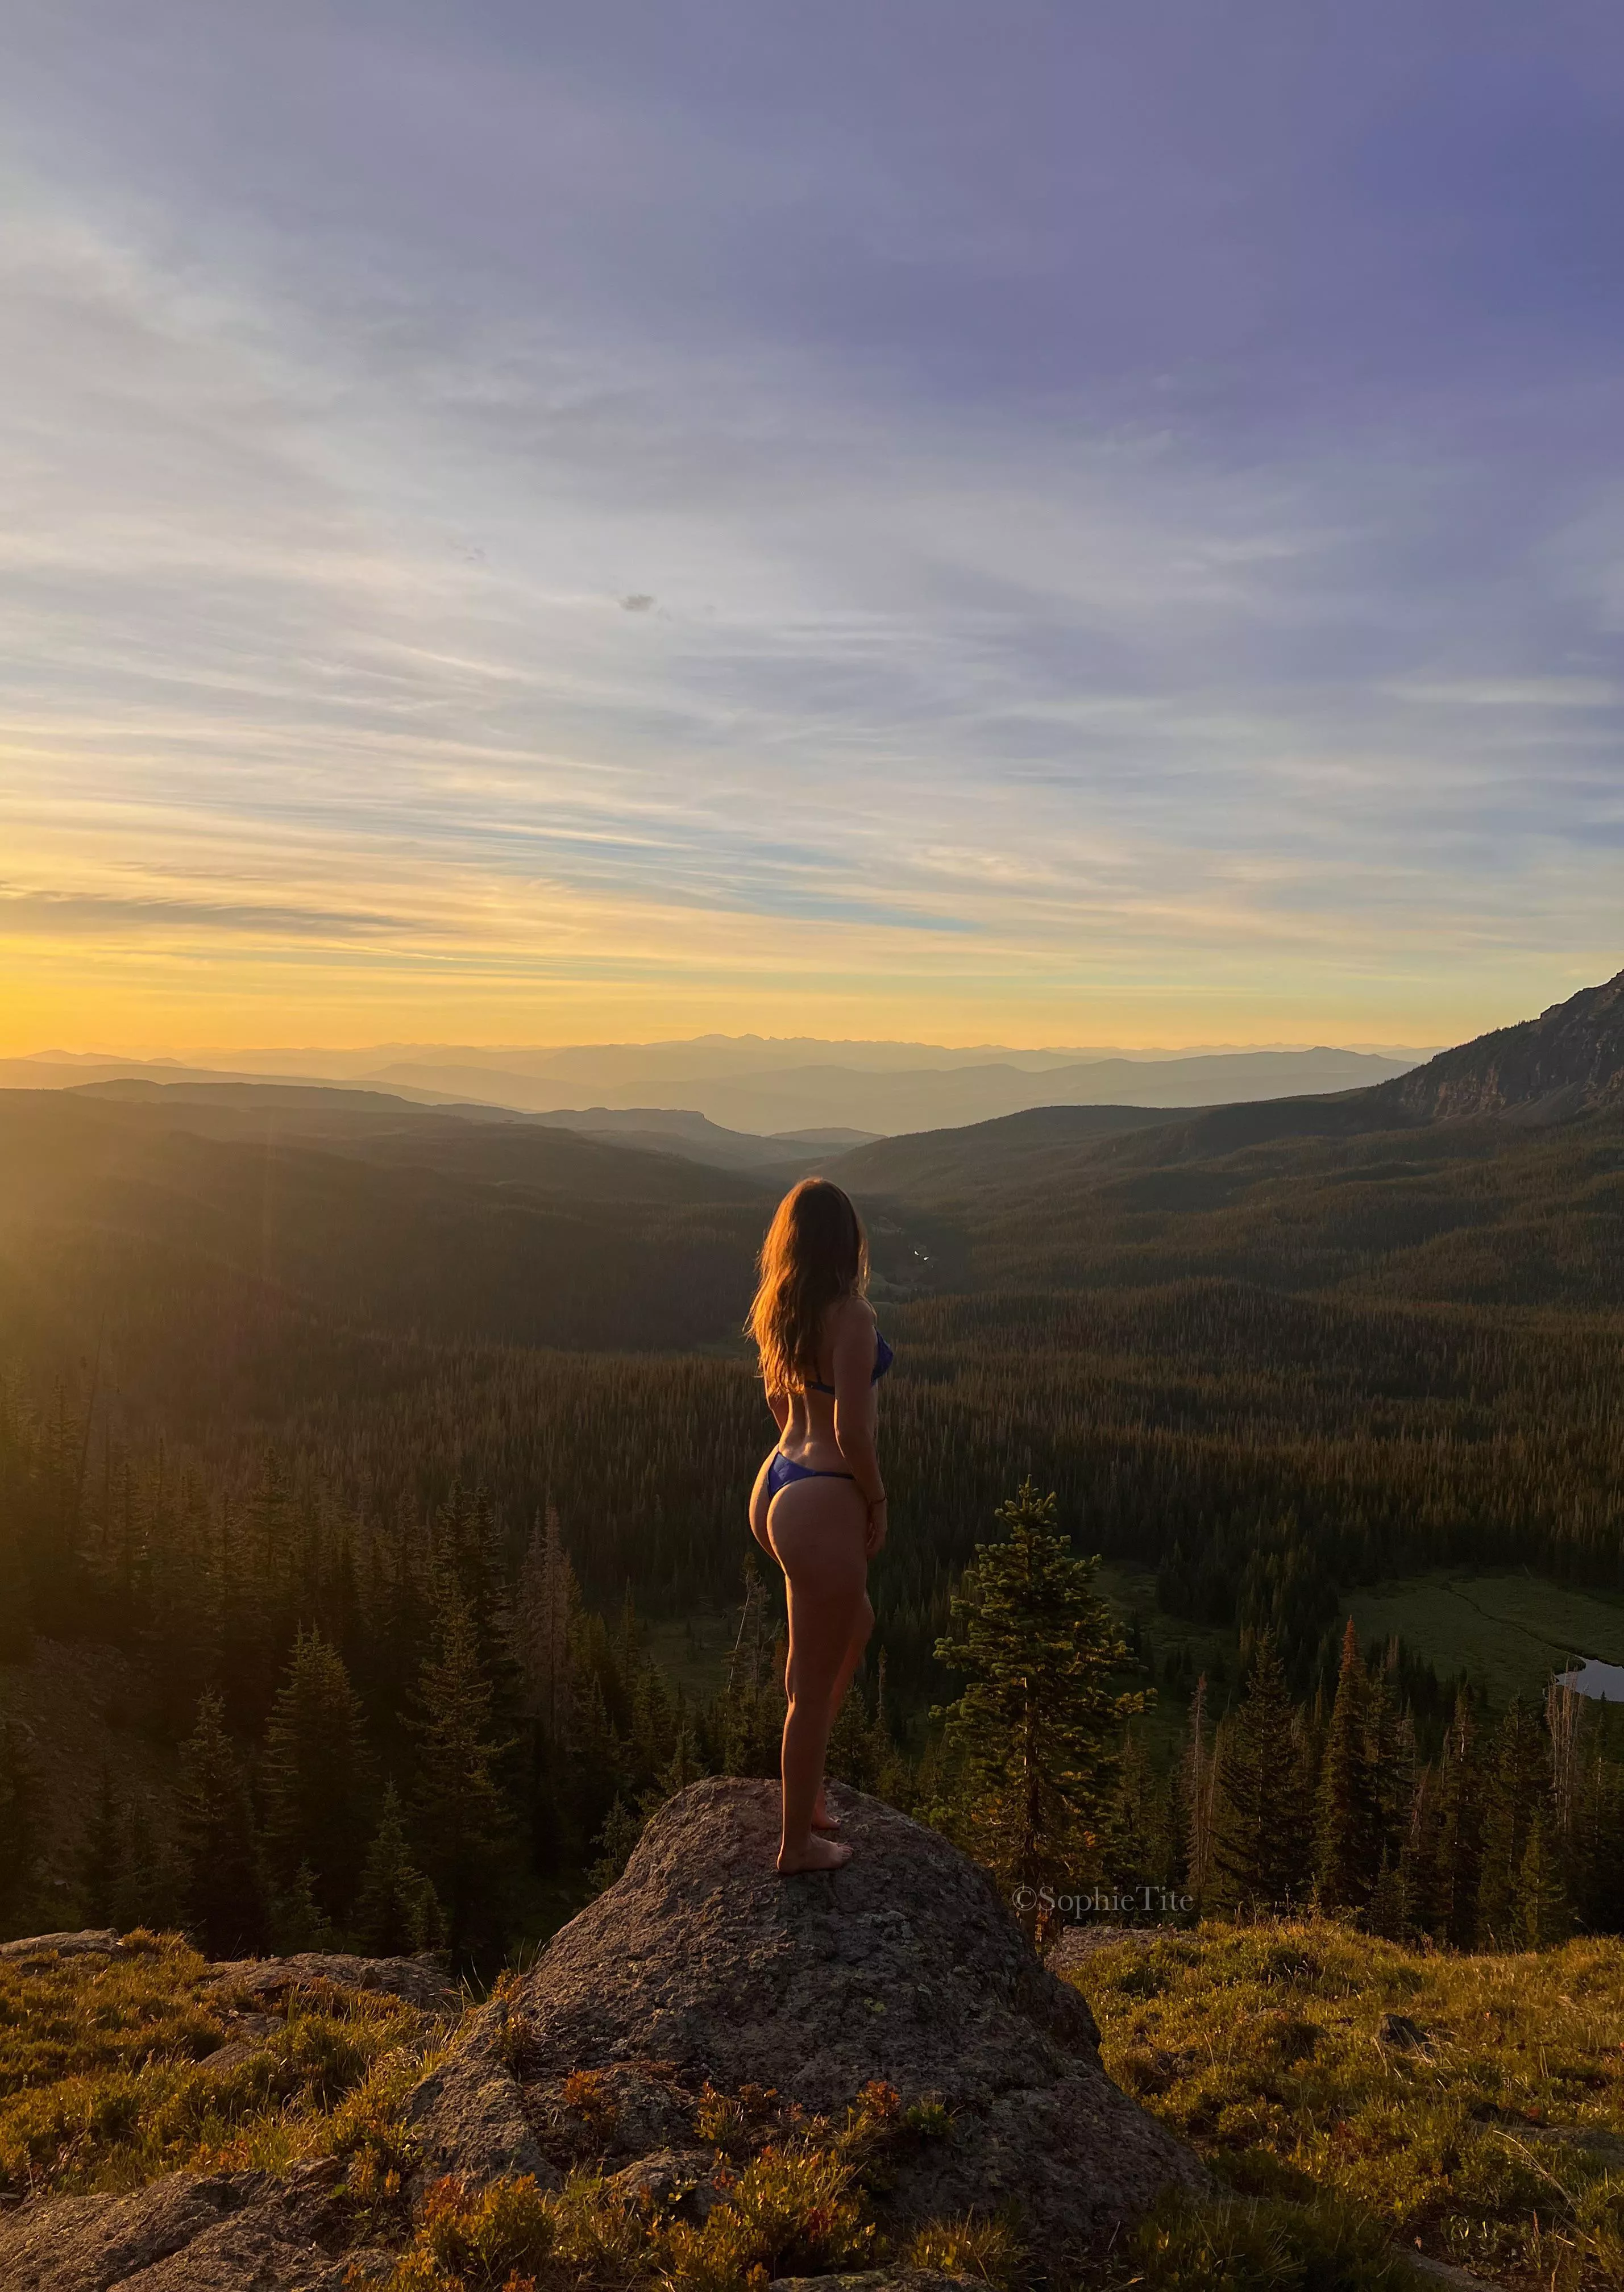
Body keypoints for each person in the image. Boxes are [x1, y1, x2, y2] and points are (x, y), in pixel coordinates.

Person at [746, 1177, 891, 1874]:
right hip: (824, 1493)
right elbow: (852, 1432)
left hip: (779, 1477)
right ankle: (796, 1844)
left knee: (853, 1625)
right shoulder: (852, 1316)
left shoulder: (782, 1305)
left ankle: (805, 1786)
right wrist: (876, 1499)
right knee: (808, 1689)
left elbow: (779, 1400)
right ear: (847, 1240)